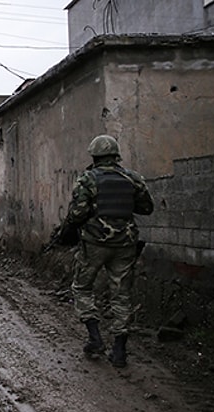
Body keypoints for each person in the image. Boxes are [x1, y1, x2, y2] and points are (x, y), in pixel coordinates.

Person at [61, 135, 153, 368]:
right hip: (125, 244)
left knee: (82, 287)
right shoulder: (133, 179)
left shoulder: (87, 179)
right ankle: (120, 351)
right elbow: (146, 208)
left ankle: (95, 338)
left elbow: (76, 214)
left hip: (95, 244)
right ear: (116, 155)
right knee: (121, 294)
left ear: (94, 156)